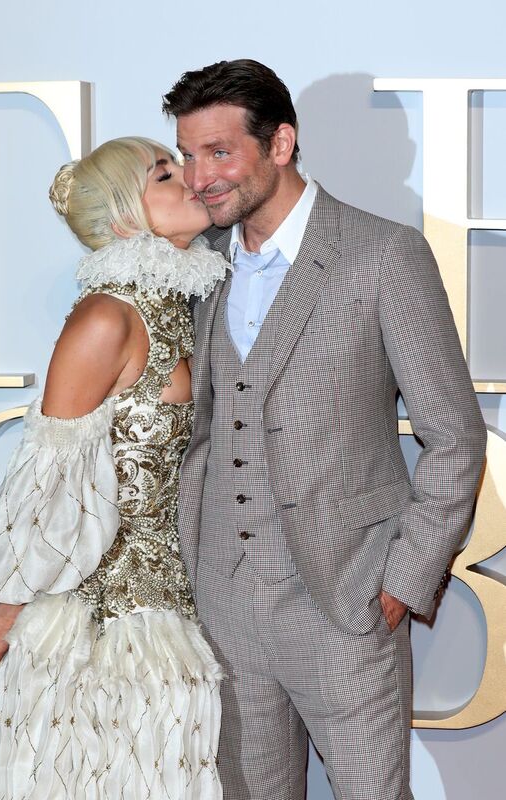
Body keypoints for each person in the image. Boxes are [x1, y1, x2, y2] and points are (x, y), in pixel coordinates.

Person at [162, 59, 487, 800]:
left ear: (280, 144)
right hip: (222, 604)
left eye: (218, 152)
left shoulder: (381, 254)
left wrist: (401, 583)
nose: (198, 175)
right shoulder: (199, 265)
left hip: (344, 601)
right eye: (186, 153)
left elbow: (453, 434)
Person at [0, 137, 229, 800]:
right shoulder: (105, 317)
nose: (191, 181)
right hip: (97, 621)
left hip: (177, 600)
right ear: (125, 217)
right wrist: (12, 601)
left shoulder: (183, 305)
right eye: (165, 174)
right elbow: (52, 476)